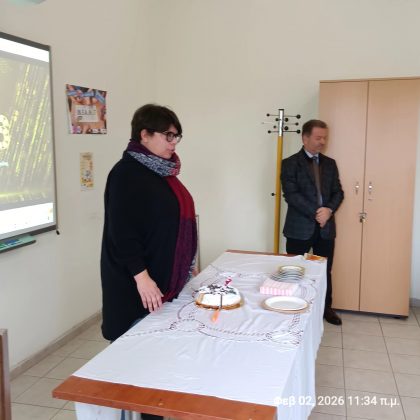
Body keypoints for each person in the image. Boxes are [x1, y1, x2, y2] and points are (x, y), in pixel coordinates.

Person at [101, 104, 197, 420]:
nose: (174, 143)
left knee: (156, 363)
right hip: (136, 286)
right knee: (137, 366)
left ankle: (153, 411)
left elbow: (169, 226)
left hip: (160, 281)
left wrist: (186, 264)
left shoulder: (161, 172)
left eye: (177, 136)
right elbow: (122, 234)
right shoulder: (126, 174)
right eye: (168, 135)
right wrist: (142, 278)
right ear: (144, 134)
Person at [281, 119, 344, 325]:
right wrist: (318, 213)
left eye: (325, 138)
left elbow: (338, 192)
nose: (322, 142)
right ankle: (293, 305)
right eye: (318, 138)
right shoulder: (290, 163)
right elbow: (291, 195)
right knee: (295, 270)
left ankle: (326, 308)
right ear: (305, 138)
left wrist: (329, 210)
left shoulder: (330, 164)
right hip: (299, 228)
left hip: (326, 229)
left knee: (324, 270)